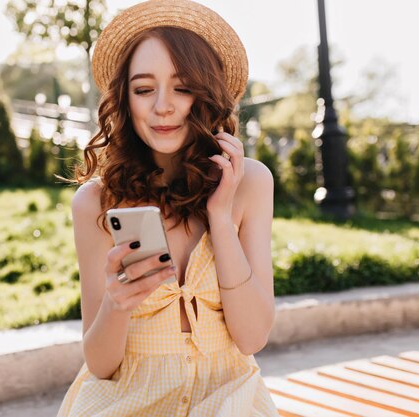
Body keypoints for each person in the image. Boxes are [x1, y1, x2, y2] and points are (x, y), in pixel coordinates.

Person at [58, 0, 278, 415]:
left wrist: (220, 216)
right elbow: (101, 365)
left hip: (229, 399)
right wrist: (116, 302)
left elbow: (251, 339)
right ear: (125, 99)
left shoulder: (250, 182)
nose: (162, 106)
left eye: (182, 87)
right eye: (144, 89)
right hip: (127, 403)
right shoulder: (96, 203)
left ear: (207, 94)